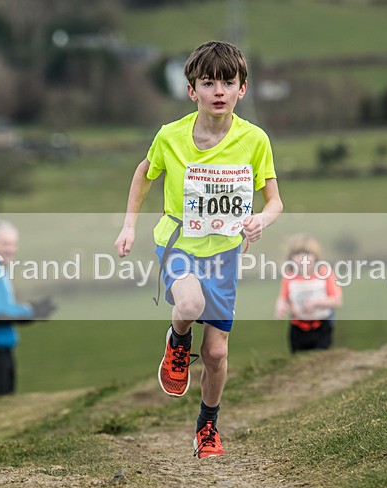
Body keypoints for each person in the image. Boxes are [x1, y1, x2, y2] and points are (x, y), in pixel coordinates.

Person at [115, 41, 283, 458]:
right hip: (177, 244)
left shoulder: (255, 140)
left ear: (243, 88)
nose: (219, 91)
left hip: (225, 255)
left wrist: (260, 220)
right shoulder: (170, 136)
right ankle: (177, 341)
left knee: (216, 353)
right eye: (209, 83)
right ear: (192, 91)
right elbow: (144, 172)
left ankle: (207, 426)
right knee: (188, 304)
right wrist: (129, 226)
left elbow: (275, 200)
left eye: (228, 82)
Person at [0, 221, 56, 395]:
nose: (10, 249)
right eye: (4, 243)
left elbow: (5, 309)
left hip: (0, 349)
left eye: (14, 243)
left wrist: (31, 310)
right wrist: (31, 310)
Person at [274, 234, 342, 354]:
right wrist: (281, 307)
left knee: (320, 357)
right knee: (299, 358)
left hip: (321, 325)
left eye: (307, 254)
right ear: (291, 258)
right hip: (298, 327)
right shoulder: (289, 277)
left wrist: (316, 303)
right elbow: (283, 298)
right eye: (297, 254)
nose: (302, 258)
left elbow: (337, 300)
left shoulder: (325, 274)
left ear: (316, 257)